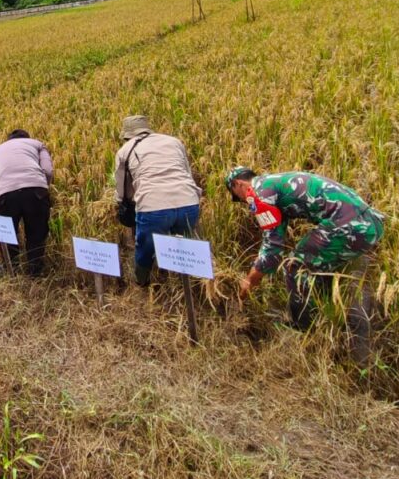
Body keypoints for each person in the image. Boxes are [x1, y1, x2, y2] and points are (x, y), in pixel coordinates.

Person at [226, 167, 385, 329]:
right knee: (316, 267)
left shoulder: (258, 194)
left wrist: (250, 280)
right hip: (370, 223)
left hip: (350, 225)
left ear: (238, 184)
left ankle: (303, 329)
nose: (243, 202)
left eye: (238, 197)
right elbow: (276, 235)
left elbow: (272, 250)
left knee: (294, 266)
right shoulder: (274, 182)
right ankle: (327, 319)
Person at [114, 115, 201, 287]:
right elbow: (187, 172)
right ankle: (189, 286)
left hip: (153, 205)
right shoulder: (174, 141)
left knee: (145, 248)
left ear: (127, 135)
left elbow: (122, 191)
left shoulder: (125, 150)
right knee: (185, 246)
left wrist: (124, 205)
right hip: (188, 201)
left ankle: (142, 284)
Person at [0, 129, 53, 276]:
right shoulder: (37, 144)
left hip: (3, 194)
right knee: (36, 234)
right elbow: (47, 171)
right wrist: (43, 188)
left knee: (6, 235)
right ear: (27, 138)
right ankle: (35, 273)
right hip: (35, 191)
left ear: (9, 140)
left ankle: (12, 271)